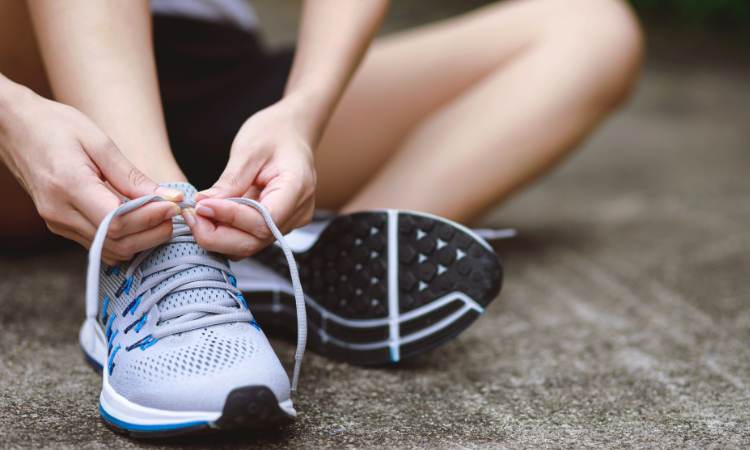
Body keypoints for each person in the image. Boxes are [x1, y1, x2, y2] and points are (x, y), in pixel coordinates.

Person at [0, 0, 643, 436]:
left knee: (589, 29)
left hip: (211, 73)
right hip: (23, 87)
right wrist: (11, 115)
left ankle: (281, 261)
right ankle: (160, 250)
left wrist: (305, 110)